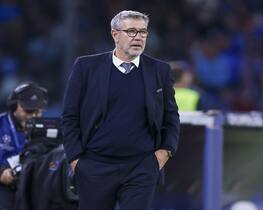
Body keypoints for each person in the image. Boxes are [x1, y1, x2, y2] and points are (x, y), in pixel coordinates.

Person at [62, 10, 180, 210]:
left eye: (143, 32)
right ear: (115, 34)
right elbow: (69, 116)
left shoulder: (160, 70)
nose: (138, 37)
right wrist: (76, 161)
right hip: (95, 166)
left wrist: (164, 153)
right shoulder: (86, 67)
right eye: (131, 31)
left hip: (141, 166)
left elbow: (171, 116)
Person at [0, 82, 48, 210]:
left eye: (38, 111)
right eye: (29, 110)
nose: (33, 115)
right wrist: (1, 172)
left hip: (35, 187)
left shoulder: (48, 130)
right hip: (5, 188)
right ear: (14, 106)